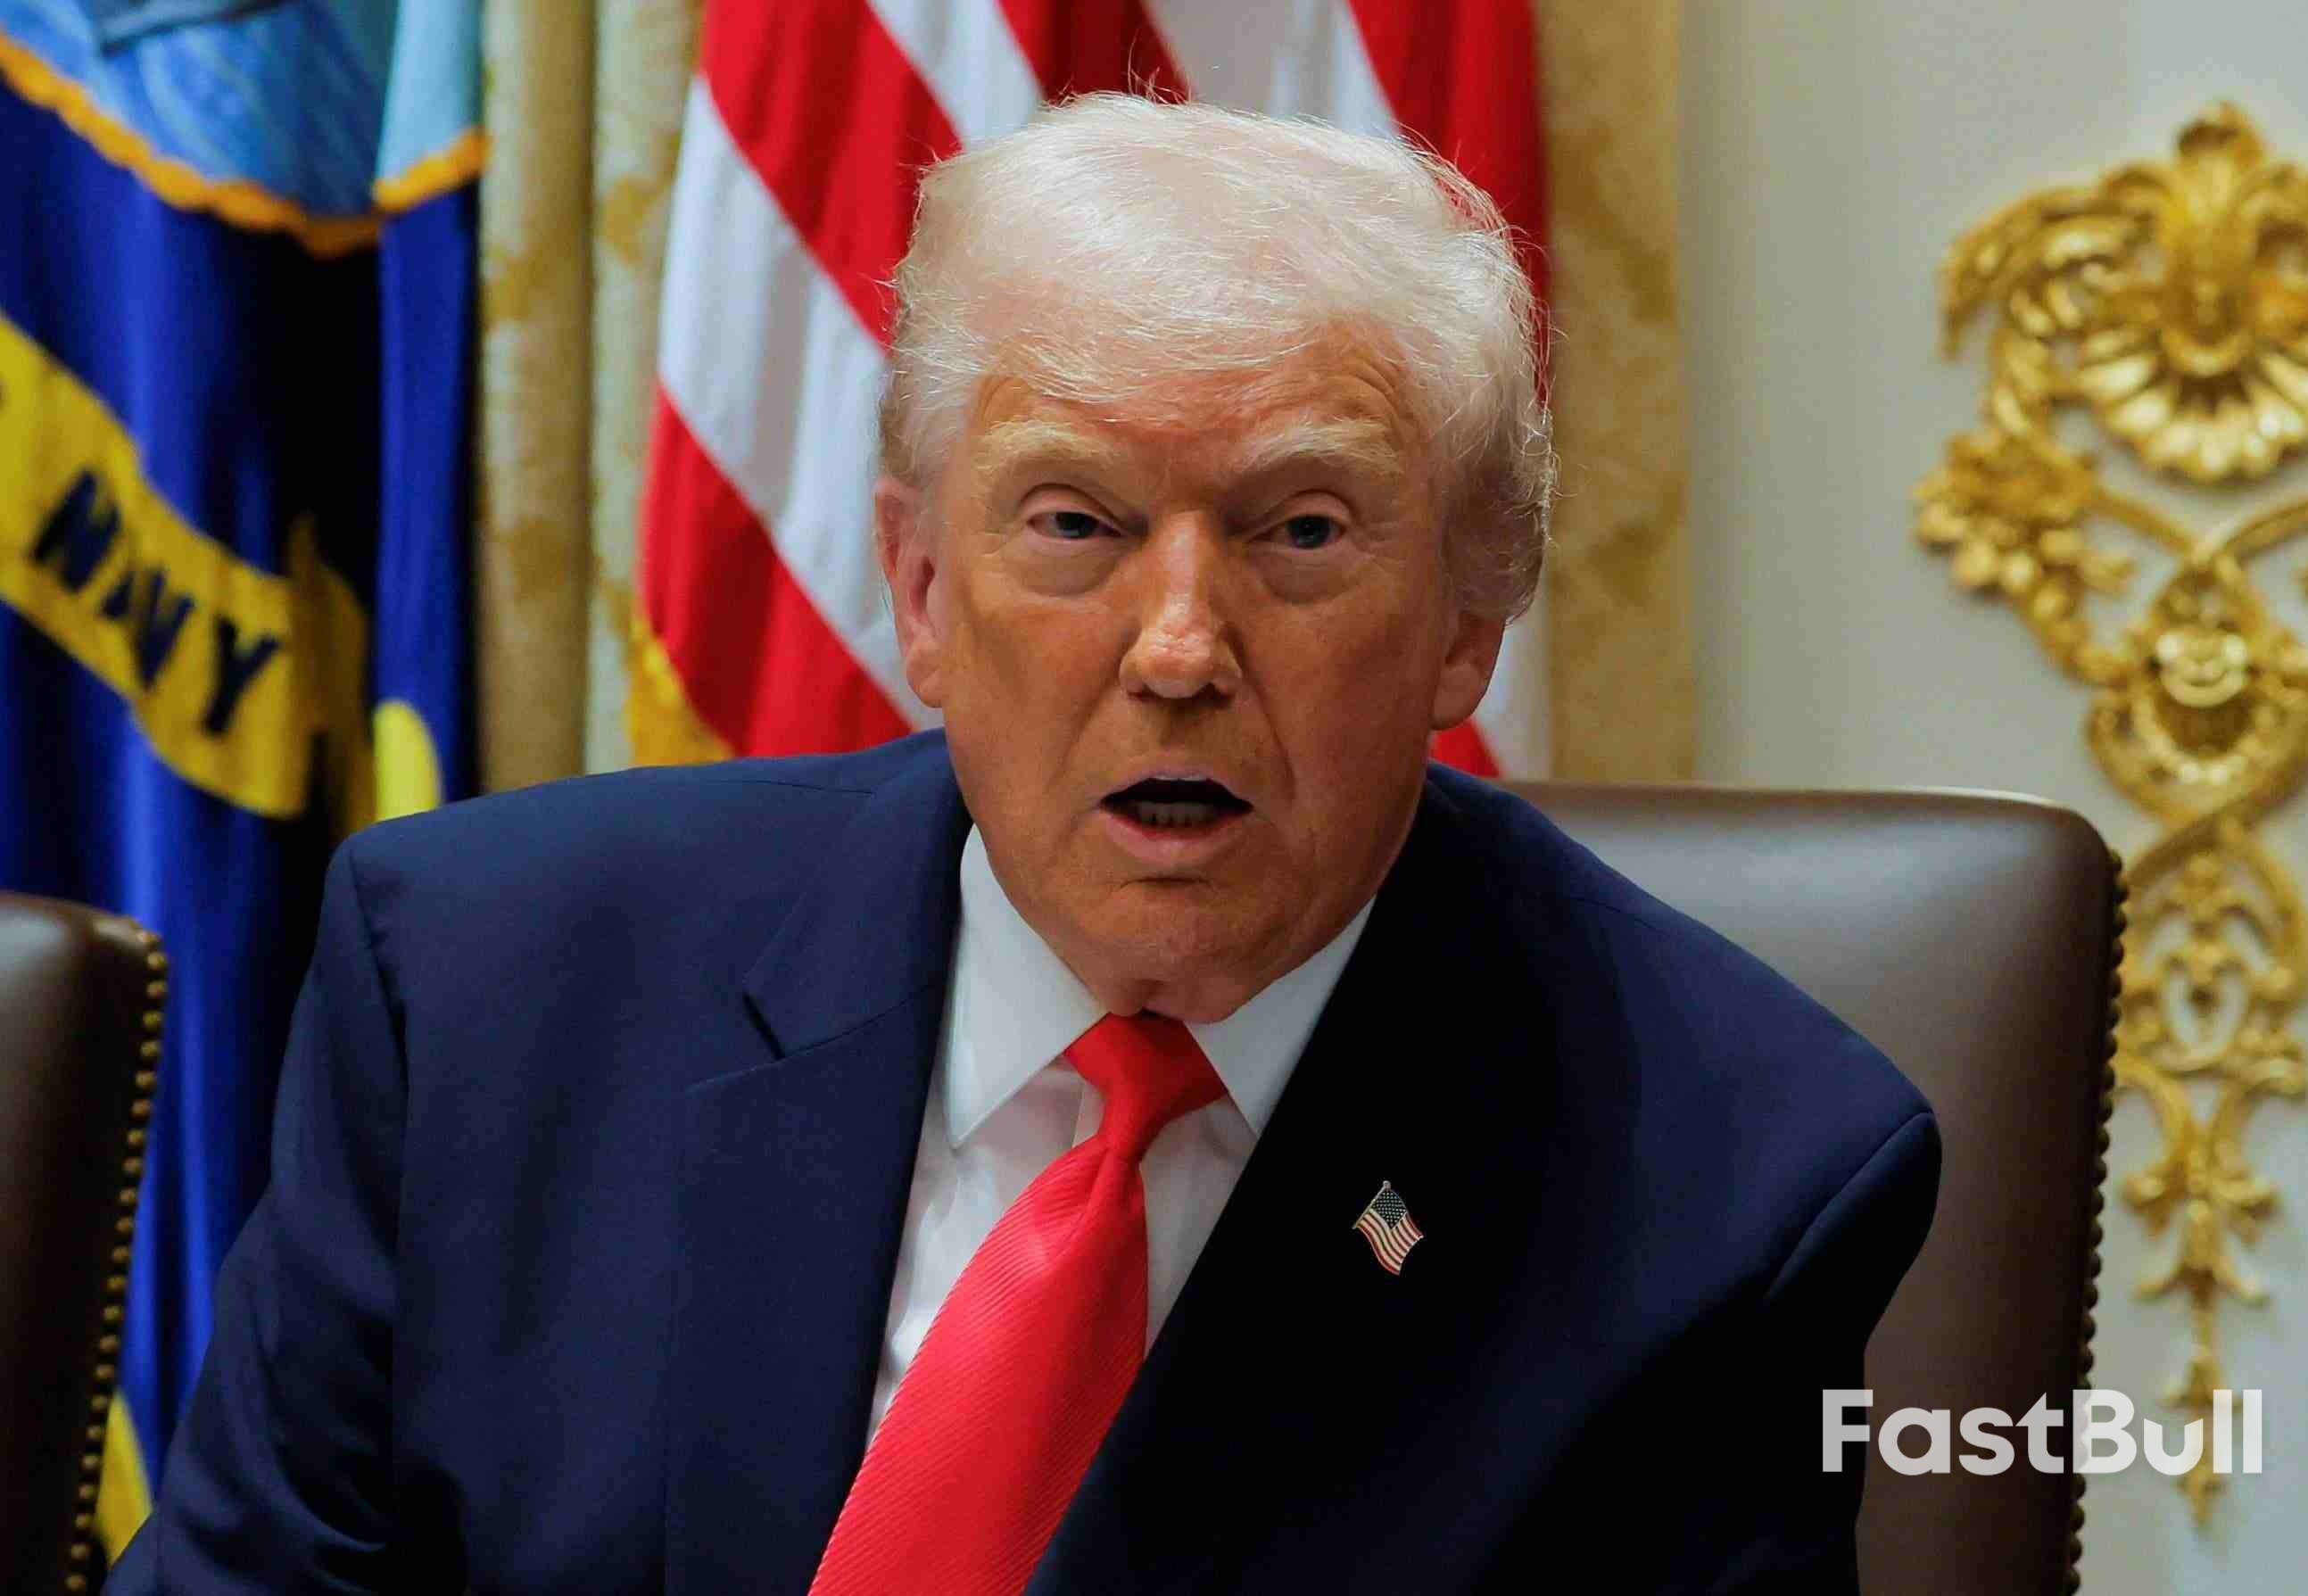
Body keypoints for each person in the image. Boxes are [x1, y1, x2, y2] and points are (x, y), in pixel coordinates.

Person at [110, 95, 1938, 1595]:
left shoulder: (1734, 1188)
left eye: (1301, 532)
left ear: (1468, 622)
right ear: (919, 587)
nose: (1178, 649)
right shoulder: (482, 988)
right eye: (1075, 523)